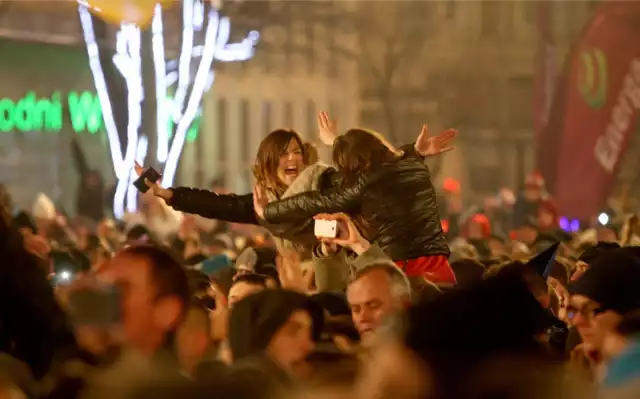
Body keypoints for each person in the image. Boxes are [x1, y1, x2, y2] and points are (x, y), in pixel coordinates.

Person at [136, 113, 455, 259]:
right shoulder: (263, 204)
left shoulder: (325, 182)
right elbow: (217, 205)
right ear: (269, 164)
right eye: (284, 153)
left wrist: (412, 152)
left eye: (297, 151)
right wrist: (168, 194)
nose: (294, 158)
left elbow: (372, 169)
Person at [257, 127, 456, 283]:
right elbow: (394, 159)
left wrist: (268, 211)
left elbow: (309, 201)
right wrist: (414, 150)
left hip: (405, 271)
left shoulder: (364, 184)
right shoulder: (416, 166)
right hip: (441, 268)